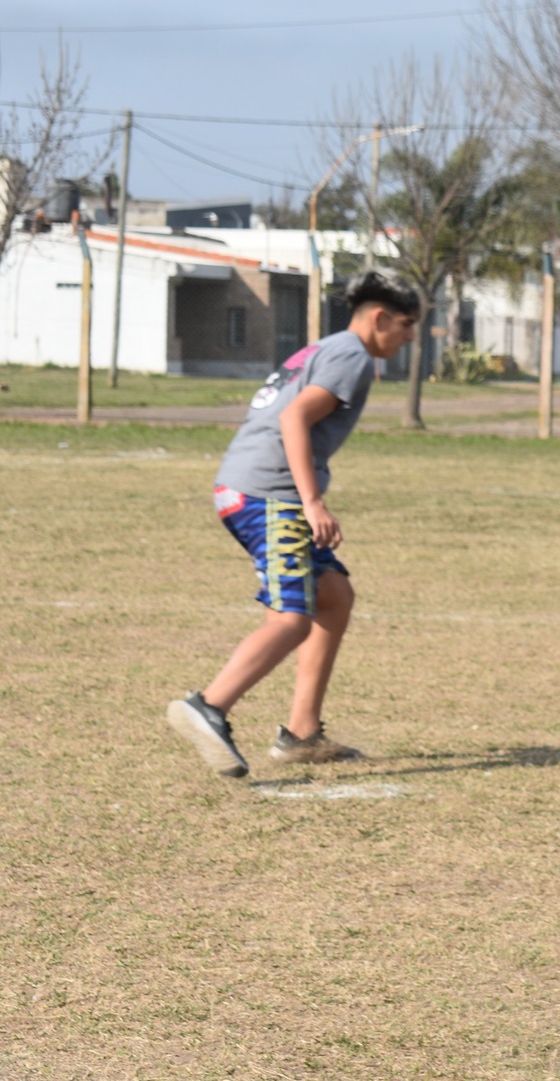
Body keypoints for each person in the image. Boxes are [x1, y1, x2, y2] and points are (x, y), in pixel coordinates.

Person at [166, 272, 421, 777]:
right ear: (380, 318)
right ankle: (208, 706)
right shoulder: (352, 356)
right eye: (407, 324)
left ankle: (302, 734)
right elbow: (293, 419)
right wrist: (312, 502)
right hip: (269, 495)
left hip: (253, 488)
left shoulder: (331, 346)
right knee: (291, 619)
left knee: (334, 596)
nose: (410, 336)